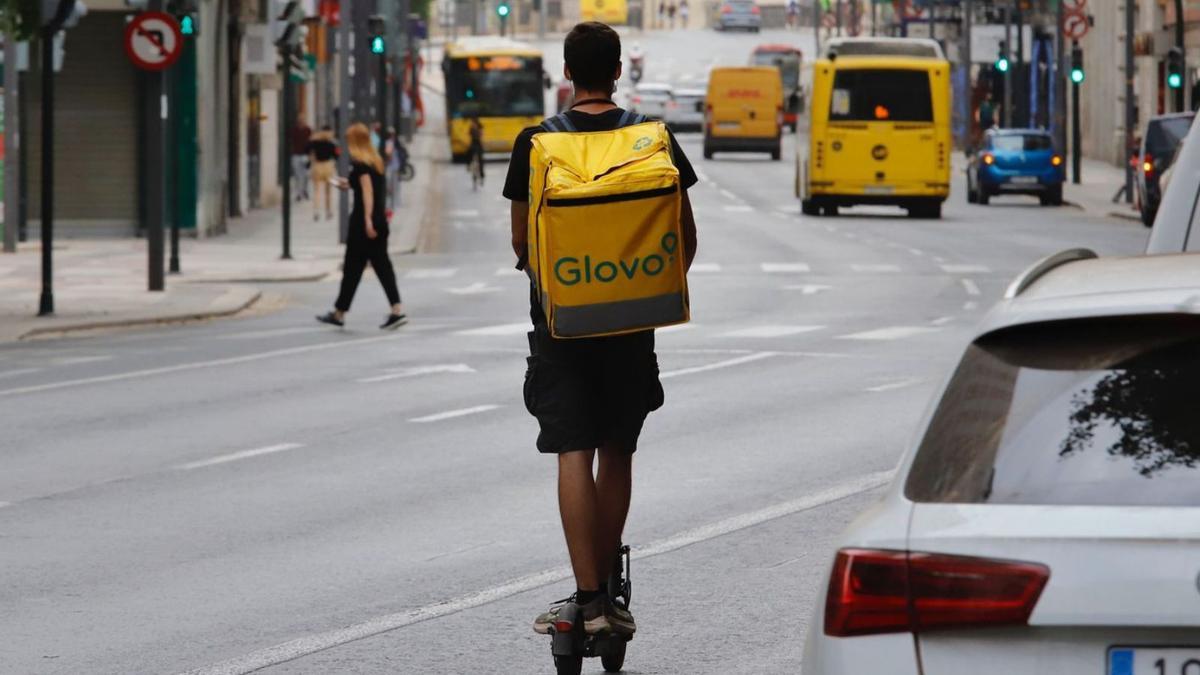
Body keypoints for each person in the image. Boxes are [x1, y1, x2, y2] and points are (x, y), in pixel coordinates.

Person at [503, 21, 698, 637]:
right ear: (618, 71)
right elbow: (683, 238)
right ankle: (613, 593)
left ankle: (586, 600)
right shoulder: (652, 138)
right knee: (618, 448)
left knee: (572, 450)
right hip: (631, 325)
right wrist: (634, 289)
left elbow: (521, 242)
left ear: (566, 73)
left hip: (562, 327)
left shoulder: (536, 143)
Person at [316, 122, 407, 330]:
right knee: (381, 266)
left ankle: (340, 313)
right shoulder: (375, 162)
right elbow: (362, 184)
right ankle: (395, 309)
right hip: (379, 222)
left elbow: (367, 192)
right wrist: (343, 183)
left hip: (364, 225)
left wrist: (367, 220)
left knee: (352, 268)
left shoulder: (360, 164)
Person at [307, 125, 339, 221]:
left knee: (316, 191)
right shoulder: (331, 143)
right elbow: (336, 155)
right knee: (328, 191)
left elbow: (306, 149)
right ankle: (328, 211)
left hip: (317, 166)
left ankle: (316, 211)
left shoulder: (315, 142)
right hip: (328, 166)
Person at [290, 113, 312, 201]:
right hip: (296, 155)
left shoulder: (308, 130)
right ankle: (298, 194)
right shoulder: (294, 130)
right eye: (300, 120)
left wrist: (310, 155)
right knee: (298, 176)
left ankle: (305, 190)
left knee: (306, 175)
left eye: (302, 120)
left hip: (305, 155)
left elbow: (311, 142)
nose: (301, 122)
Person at [468, 116, 485, 184]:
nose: (472, 124)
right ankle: (468, 165)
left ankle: (481, 175)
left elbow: (481, 135)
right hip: (473, 144)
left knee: (480, 160)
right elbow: (469, 135)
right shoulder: (471, 128)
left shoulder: (480, 127)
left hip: (478, 144)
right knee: (468, 153)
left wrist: (478, 132)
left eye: (473, 122)